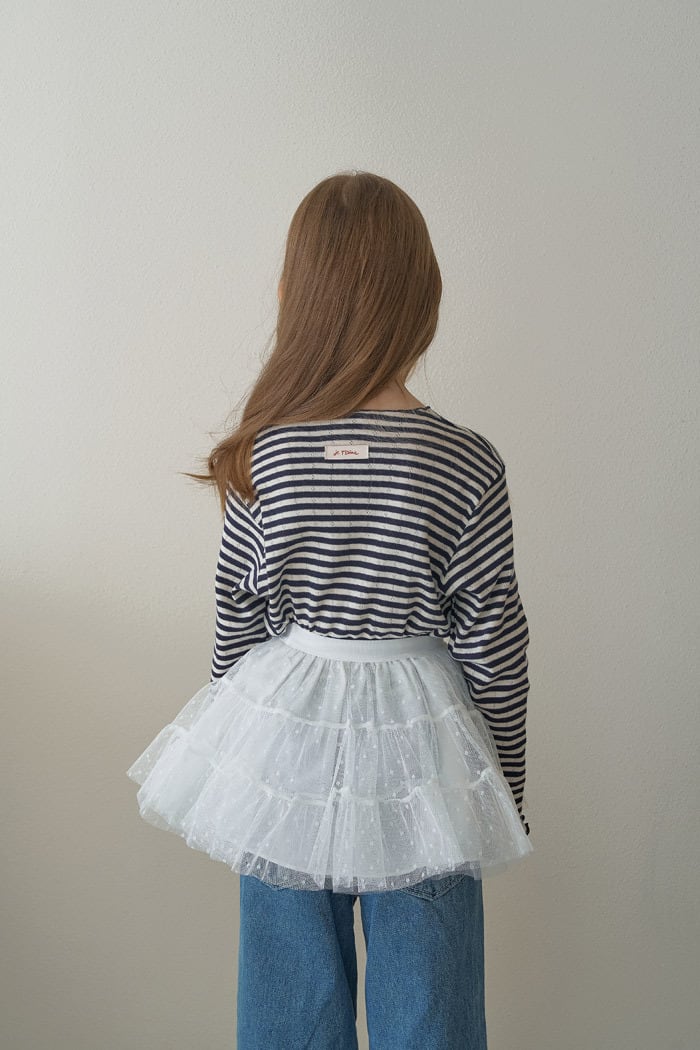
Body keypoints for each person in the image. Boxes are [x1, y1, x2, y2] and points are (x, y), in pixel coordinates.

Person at [126, 170, 533, 1050]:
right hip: (424, 754)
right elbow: (495, 641)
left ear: (292, 296)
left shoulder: (264, 453)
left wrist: (236, 745)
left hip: (286, 743)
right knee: (430, 1002)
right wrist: (504, 781)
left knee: (288, 1004)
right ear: (422, 296)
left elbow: (238, 620)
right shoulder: (466, 462)